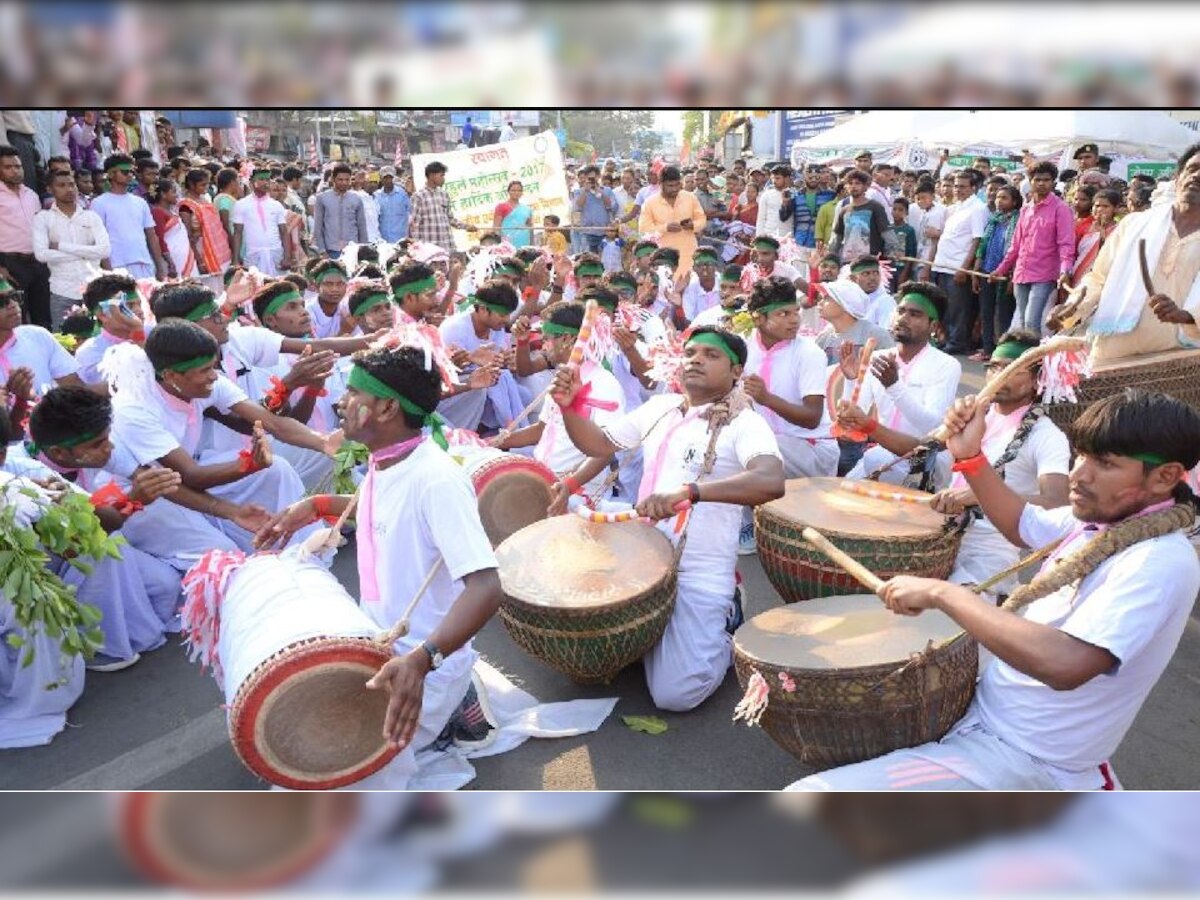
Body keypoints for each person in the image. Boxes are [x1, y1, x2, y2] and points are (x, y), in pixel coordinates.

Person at [788, 388, 1200, 791]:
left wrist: (945, 594)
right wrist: (969, 457)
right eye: (1081, 456)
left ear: (1165, 476)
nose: (1078, 475)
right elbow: (1022, 522)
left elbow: (1066, 664)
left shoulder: (1157, 560)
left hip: (1022, 757)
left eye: (1105, 464)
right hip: (990, 720)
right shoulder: (1103, 525)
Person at [254, 343, 505, 788]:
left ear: (386, 407)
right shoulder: (391, 457)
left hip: (418, 666)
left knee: (328, 782)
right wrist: (315, 506)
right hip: (379, 645)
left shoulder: (437, 479)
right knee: (297, 745)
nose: (341, 403)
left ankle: (454, 696)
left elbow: (486, 586)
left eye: (353, 395)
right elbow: (383, 508)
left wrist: (422, 660)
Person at [553, 326, 785, 711]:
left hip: (699, 570)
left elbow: (771, 480)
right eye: (691, 352)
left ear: (735, 372)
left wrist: (691, 492)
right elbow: (597, 444)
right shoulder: (661, 408)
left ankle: (729, 615)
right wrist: (569, 407)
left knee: (674, 696)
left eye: (711, 355)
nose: (695, 359)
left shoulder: (745, 423)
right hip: (643, 554)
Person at [106, 318, 325, 554]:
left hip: (180, 474)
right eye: (205, 370)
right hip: (140, 493)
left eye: (213, 366)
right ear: (171, 376)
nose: (214, 376)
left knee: (275, 469)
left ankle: (303, 551)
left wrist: (327, 443)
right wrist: (248, 465)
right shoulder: (134, 409)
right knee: (219, 552)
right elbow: (191, 476)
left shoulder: (207, 381)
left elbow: (274, 423)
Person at [929, 329, 1069, 598]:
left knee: (958, 607)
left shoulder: (1047, 435)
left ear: (1038, 380)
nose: (999, 375)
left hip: (993, 544)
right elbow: (920, 451)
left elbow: (1057, 502)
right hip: (943, 529)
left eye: (1012, 369)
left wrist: (977, 495)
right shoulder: (971, 415)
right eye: (994, 367)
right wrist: (870, 426)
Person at [1051, 144, 1200, 363]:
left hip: (1180, 361)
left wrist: (1187, 316)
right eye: (1192, 168)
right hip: (1113, 354)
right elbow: (1098, 278)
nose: (1197, 176)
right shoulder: (1134, 224)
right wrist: (1072, 308)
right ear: (1178, 177)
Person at [493, 301, 623, 507]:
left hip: (578, 495)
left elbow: (606, 450)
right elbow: (541, 429)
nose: (544, 346)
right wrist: (495, 443)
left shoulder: (604, 383)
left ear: (568, 339)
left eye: (548, 339)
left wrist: (569, 485)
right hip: (546, 482)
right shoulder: (562, 377)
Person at [838, 282, 962, 486]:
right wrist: (852, 380)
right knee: (840, 494)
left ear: (933, 326)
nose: (903, 318)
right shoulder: (879, 357)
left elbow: (932, 426)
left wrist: (894, 387)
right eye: (901, 311)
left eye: (915, 314)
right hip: (883, 455)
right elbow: (854, 414)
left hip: (924, 461)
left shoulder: (947, 365)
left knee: (875, 462)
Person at [742, 276, 836, 488]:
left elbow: (812, 418)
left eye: (795, 312)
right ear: (758, 319)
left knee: (745, 449)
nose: (794, 320)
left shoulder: (809, 353)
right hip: (771, 443)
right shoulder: (746, 346)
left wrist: (766, 398)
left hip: (812, 448)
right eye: (783, 314)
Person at [988, 161, 1075, 336]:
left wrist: (1065, 270)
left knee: (1031, 321)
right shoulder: (1026, 209)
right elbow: (1016, 245)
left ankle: (1032, 362)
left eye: (1047, 180)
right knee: (1022, 321)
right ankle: (1025, 359)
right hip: (1021, 272)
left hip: (1045, 274)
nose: (1042, 183)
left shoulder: (1061, 209)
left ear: (1053, 182)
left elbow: (1066, 243)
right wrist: (1001, 269)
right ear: (1031, 181)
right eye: (1037, 179)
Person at [32, 168, 110, 327]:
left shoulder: (91, 216)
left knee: (100, 337)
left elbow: (105, 250)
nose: (68, 189)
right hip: (62, 292)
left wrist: (61, 246)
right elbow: (41, 254)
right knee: (65, 342)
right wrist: (85, 253)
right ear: (49, 189)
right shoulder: (43, 218)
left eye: (71, 184)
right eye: (61, 185)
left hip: (93, 290)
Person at [931, 169, 989, 355]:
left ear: (974, 188)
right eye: (956, 186)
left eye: (963, 187)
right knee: (946, 308)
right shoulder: (955, 208)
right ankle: (946, 339)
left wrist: (964, 269)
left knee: (959, 309)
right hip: (942, 265)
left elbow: (977, 240)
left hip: (957, 266)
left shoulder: (978, 208)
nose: (958, 190)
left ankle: (957, 343)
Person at [90, 154, 169, 281]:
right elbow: (98, 239)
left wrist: (159, 267)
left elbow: (151, 235)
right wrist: (109, 273)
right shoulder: (98, 203)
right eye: (125, 172)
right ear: (110, 174)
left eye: (131, 172)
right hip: (117, 266)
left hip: (144, 265)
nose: (130, 175)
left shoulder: (140, 202)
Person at [0, 145, 54, 328]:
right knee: (17, 319)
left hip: (38, 262)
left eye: (18, 166)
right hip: (11, 265)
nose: (15, 171)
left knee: (43, 317)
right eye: (8, 167)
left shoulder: (31, 195)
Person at [972, 184, 1022, 360]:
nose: (999, 201)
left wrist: (1012, 278)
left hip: (1005, 275)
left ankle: (1002, 353)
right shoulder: (994, 220)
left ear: (1015, 201)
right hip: (987, 271)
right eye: (998, 197)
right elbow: (982, 247)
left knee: (1003, 315)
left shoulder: (1019, 221)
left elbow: (1017, 251)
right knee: (986, 311)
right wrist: (976, 270)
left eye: (1004, 198)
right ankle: (987, 350)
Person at [638, 166, 706, 274]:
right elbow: (643, 229)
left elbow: (702, 219)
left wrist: (693, 225)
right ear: (661, 184)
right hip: (663, 257)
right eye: (670, 186)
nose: (674, 189)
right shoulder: (650, 203)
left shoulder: (690, 198)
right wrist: (665, 228)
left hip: (688, 254)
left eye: (677, 185)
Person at [813, 278, 896, 365]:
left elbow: (891, 368)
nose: (820, 303)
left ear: (845, 305)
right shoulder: (823, 338)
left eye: (826, 298)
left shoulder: (876, 334)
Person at [231, 167, 291, 276]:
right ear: (252, 183)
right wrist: (235, 260)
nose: (266, 183)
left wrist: (287, 257)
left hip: (276, 254)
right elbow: (237, 233)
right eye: (261, 179)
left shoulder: (276, 205)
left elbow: (284, 232)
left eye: (268, 180)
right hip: (252, 255)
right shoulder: (241, 204)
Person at [178, 168, 232, 289]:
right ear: (191, 185)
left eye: (207, 184)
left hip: (216, 247)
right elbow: (188, 235)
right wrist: (199, 259)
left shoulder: (205, 200)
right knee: (208, 286)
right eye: (202, 184)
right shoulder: (186, 206)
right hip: (200, 249)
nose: (206, 187)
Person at [409, 161, 476, 256]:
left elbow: (450, 219)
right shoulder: (418, 196)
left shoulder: (444, 194)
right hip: (429, 248)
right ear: (432, 175)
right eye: (441, 175)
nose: (443, 179)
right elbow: (414, 225)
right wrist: (417, 248)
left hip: (447, 245)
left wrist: (466, 227)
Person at [830, 170, 893, 266]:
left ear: (866, 187)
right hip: (848, 262)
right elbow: (837, 237)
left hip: (870, 261)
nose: (853, 186)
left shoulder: (875, 207)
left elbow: (886, 233)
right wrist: (830, 255)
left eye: (857, 183)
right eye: (850, 183)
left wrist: (894, 251)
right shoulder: (844, 210)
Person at [1069, 187, 1120, 290]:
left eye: (1105, 206)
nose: (1100, 209)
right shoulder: (1083, 227)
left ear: (1115, 208)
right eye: (1097, 206)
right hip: (1077, 274)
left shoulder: (1118, 230)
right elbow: (1072, 252)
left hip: (1103, 278)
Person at [313, 163, 368, 258]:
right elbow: (318, 227)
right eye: (340, 180)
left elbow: (361, 226)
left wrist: (363, 250)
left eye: (347, 180)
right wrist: (322, 251)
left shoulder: (356, 199)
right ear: (333, 179)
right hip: (330, 250)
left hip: (352, 250)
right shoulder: (322, 198)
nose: (344, 183)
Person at [148, 178, 194, 282]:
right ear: (163, 195)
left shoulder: (171, 212)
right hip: (171, 258)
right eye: (173, 192)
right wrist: (170, 262)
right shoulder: (157, 212)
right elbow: (159, 239)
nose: (176, 195)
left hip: (182, 256)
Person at [572, 165, 618, 255]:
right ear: (585, 177)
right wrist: (585, 191)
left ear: (598, 177)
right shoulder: (579, 192)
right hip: (588, 232)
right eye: (589, 178)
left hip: (605, 232)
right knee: (590, 259)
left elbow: (612, 207)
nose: (592, 180)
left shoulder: (607, 190)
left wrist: (600, 191)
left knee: (606, 259)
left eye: (594, 177)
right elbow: (577, 208)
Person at [847, 255, 896, 329]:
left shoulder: (885, 301)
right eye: (866, 274)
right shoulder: (847, 302)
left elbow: (886, 334)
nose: (872, 278)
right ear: (853, 278)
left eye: (876, 273)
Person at [755, 165, 794, 242]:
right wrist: (759, 237)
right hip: (769, 237)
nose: (774, 181)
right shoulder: (766, 195)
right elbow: (761, 219)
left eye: (777, 178)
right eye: (772, 178)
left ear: (786, 178)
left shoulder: (794, 195)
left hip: (788, 238)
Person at [492, 180, 533, 248]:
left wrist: (531, 245)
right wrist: (497, 245)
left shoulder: (527, 209)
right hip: (507, 244)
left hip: (524, 243)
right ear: (508, 191)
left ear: (522, 192)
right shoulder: (501, 206)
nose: (516, 193)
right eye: (513, 190)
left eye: (519, 190)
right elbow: (496, 228)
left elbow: (530, 228)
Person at [376, 165, 410, 243]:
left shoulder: (403, 194)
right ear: (381, 179)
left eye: (390, 177)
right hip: (382, 240)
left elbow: (410, 212)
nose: (388, 180)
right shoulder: (376, 196)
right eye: (385, 178)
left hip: (400, 240)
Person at [890, 197, 918, 288]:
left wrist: (905, 273)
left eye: (900, 210)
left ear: (906, 213)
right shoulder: (887, 229)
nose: (896, 212)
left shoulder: (909, 230)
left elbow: (911, 254)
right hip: (888, 269)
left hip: (901, 269)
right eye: (894, 209)